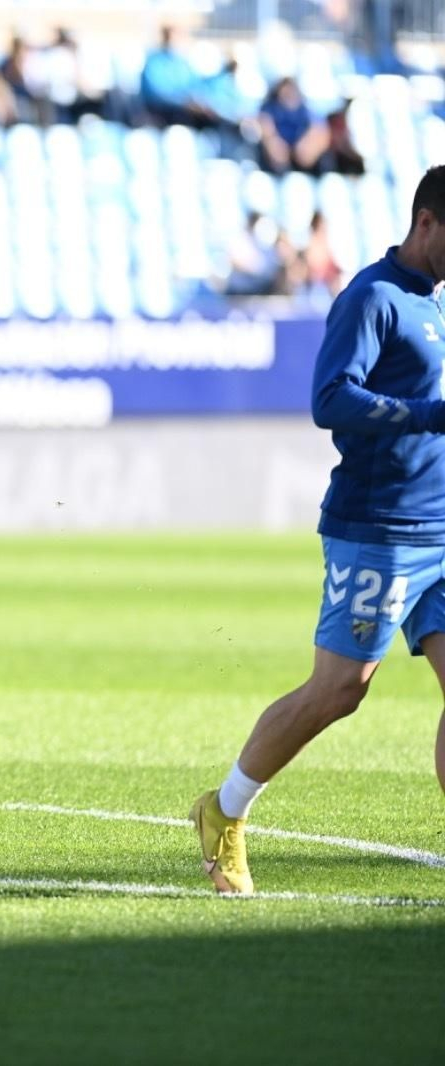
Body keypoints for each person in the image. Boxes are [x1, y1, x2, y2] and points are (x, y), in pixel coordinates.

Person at [192, 166, 445, 894]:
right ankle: (224, 809)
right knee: (339, 691)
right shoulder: (373, 297)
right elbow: (330, 398)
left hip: (441, 524)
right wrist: (426, 415)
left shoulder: (438, 301)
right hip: (380, 525)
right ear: (425, 221)